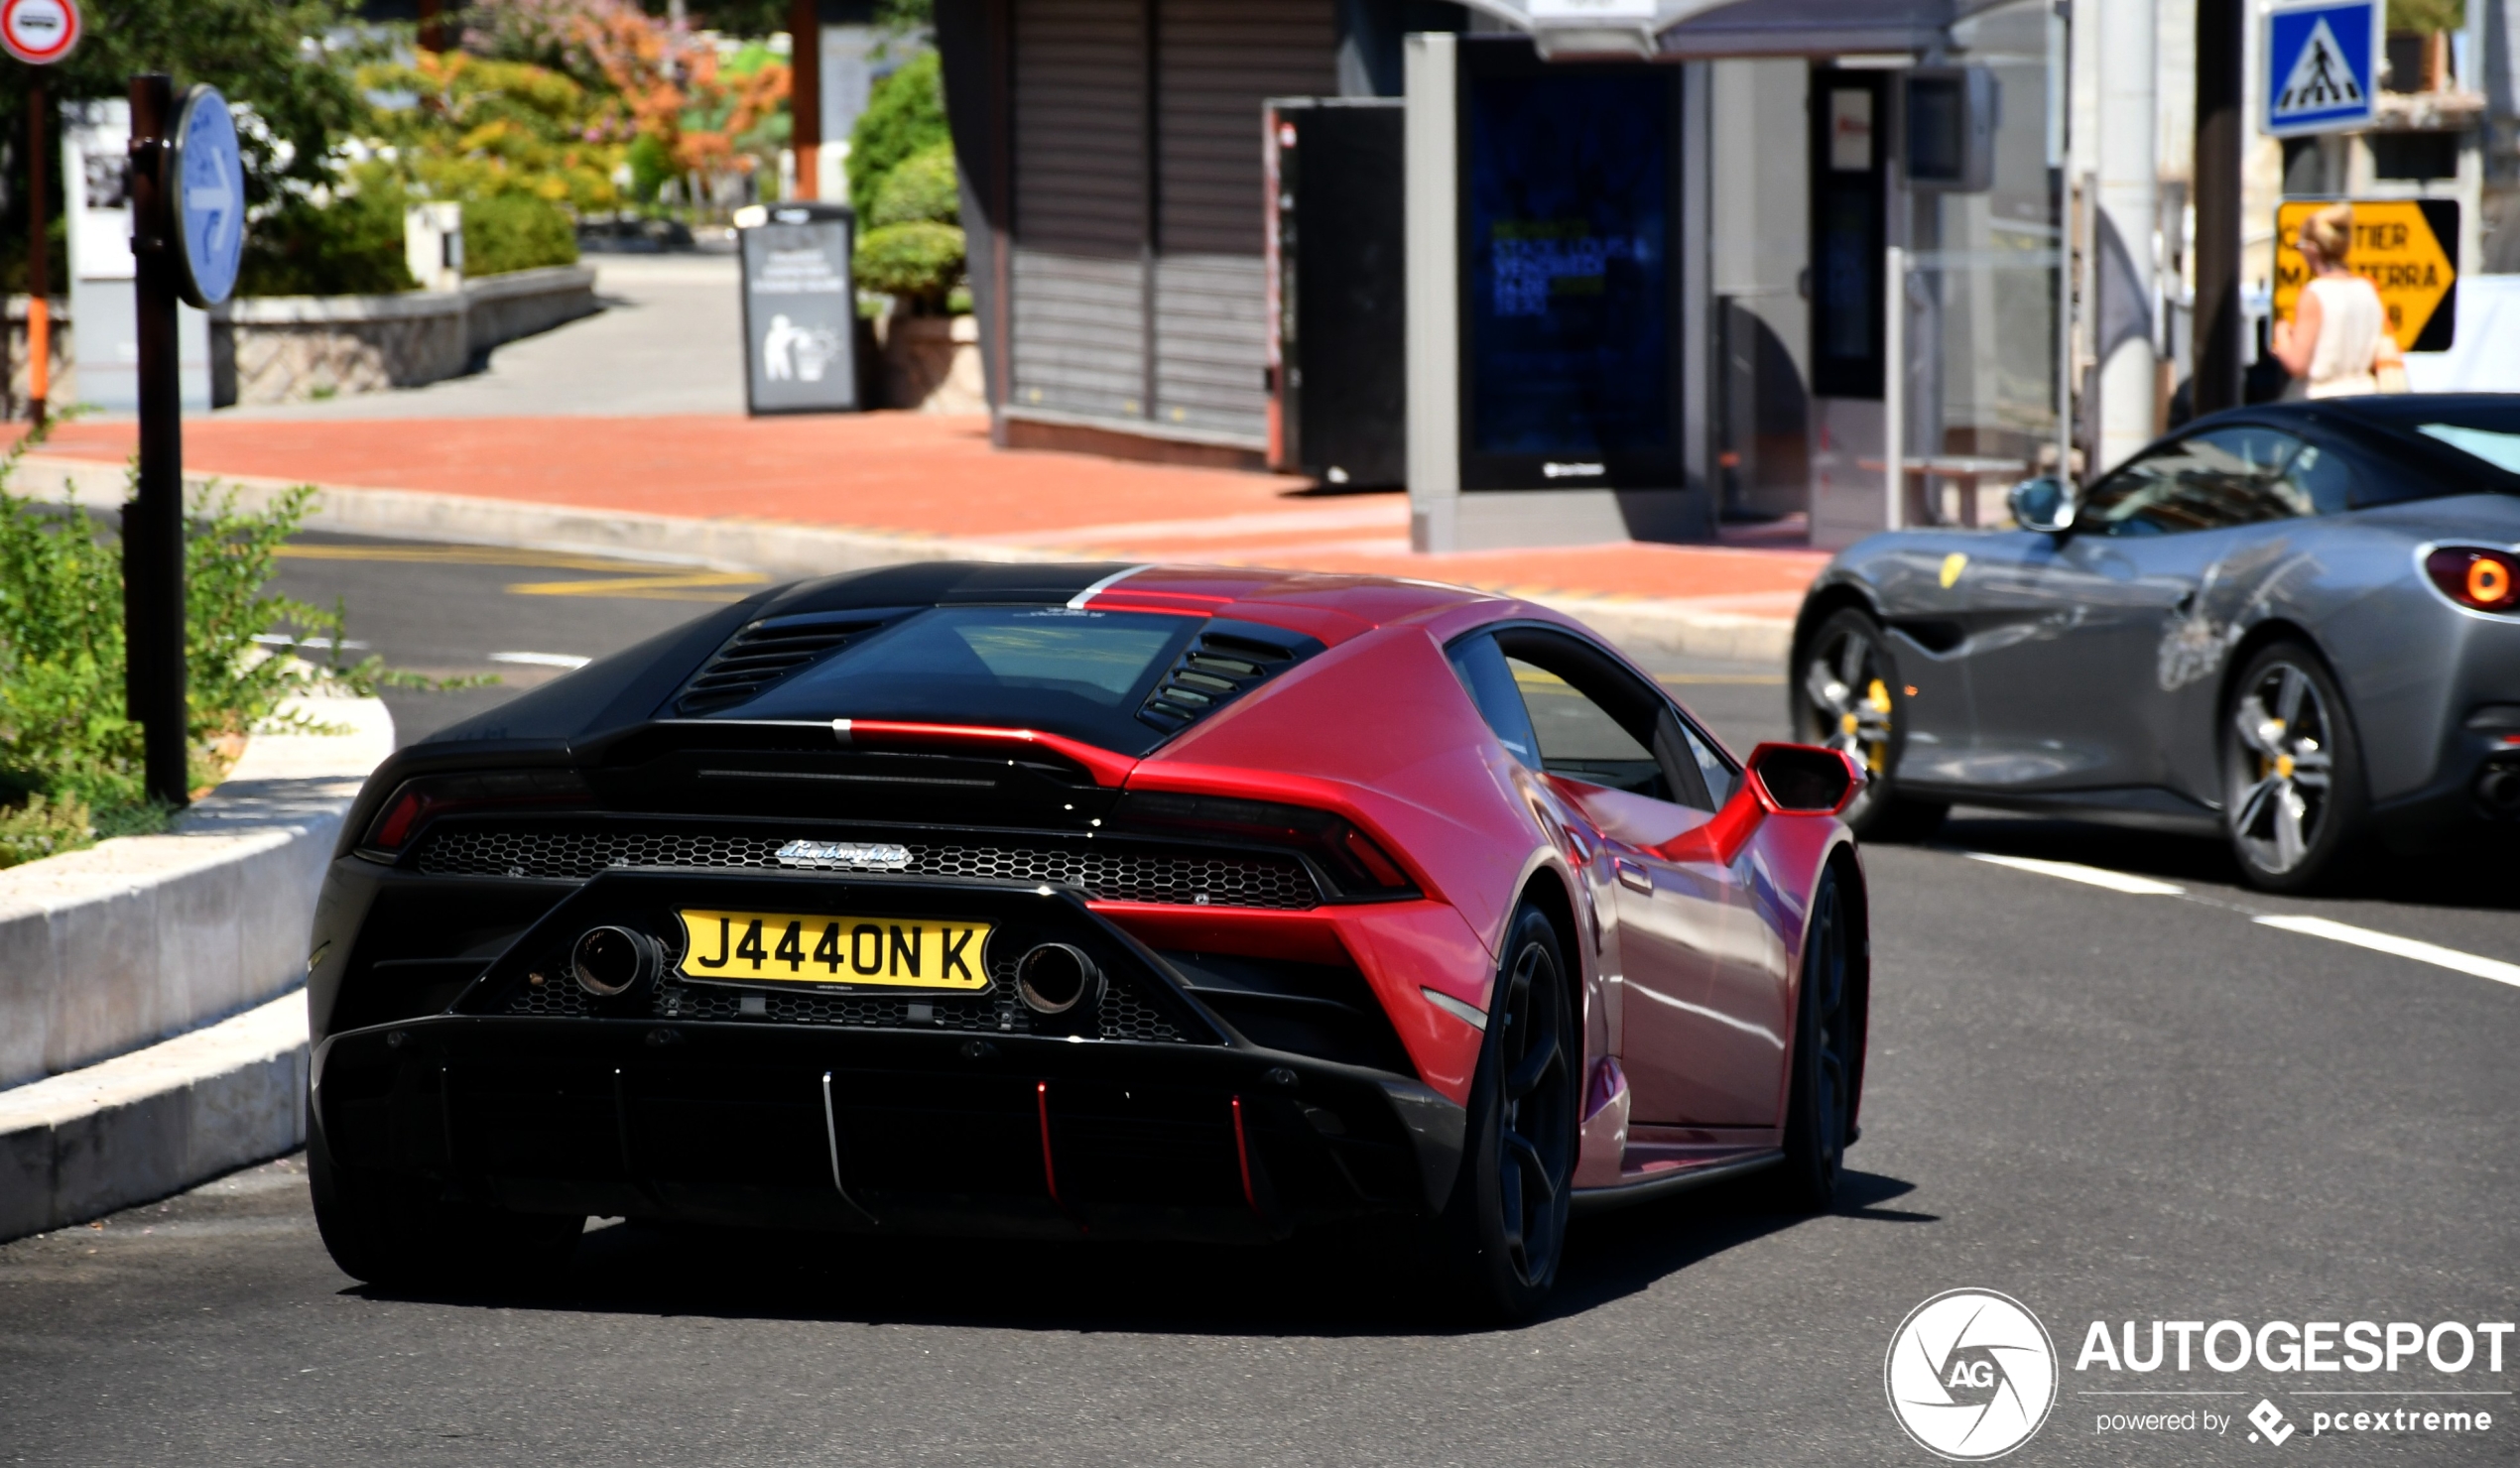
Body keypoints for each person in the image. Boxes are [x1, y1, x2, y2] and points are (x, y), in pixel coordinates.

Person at [2269, 203, 2402, 398]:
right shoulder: (2367, 289)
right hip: (2366, 396)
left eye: (2300, 246)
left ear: (2312, 250)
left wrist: (2281, 333)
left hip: (2324, 400)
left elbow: (2298, 364)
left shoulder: (2316, 293)